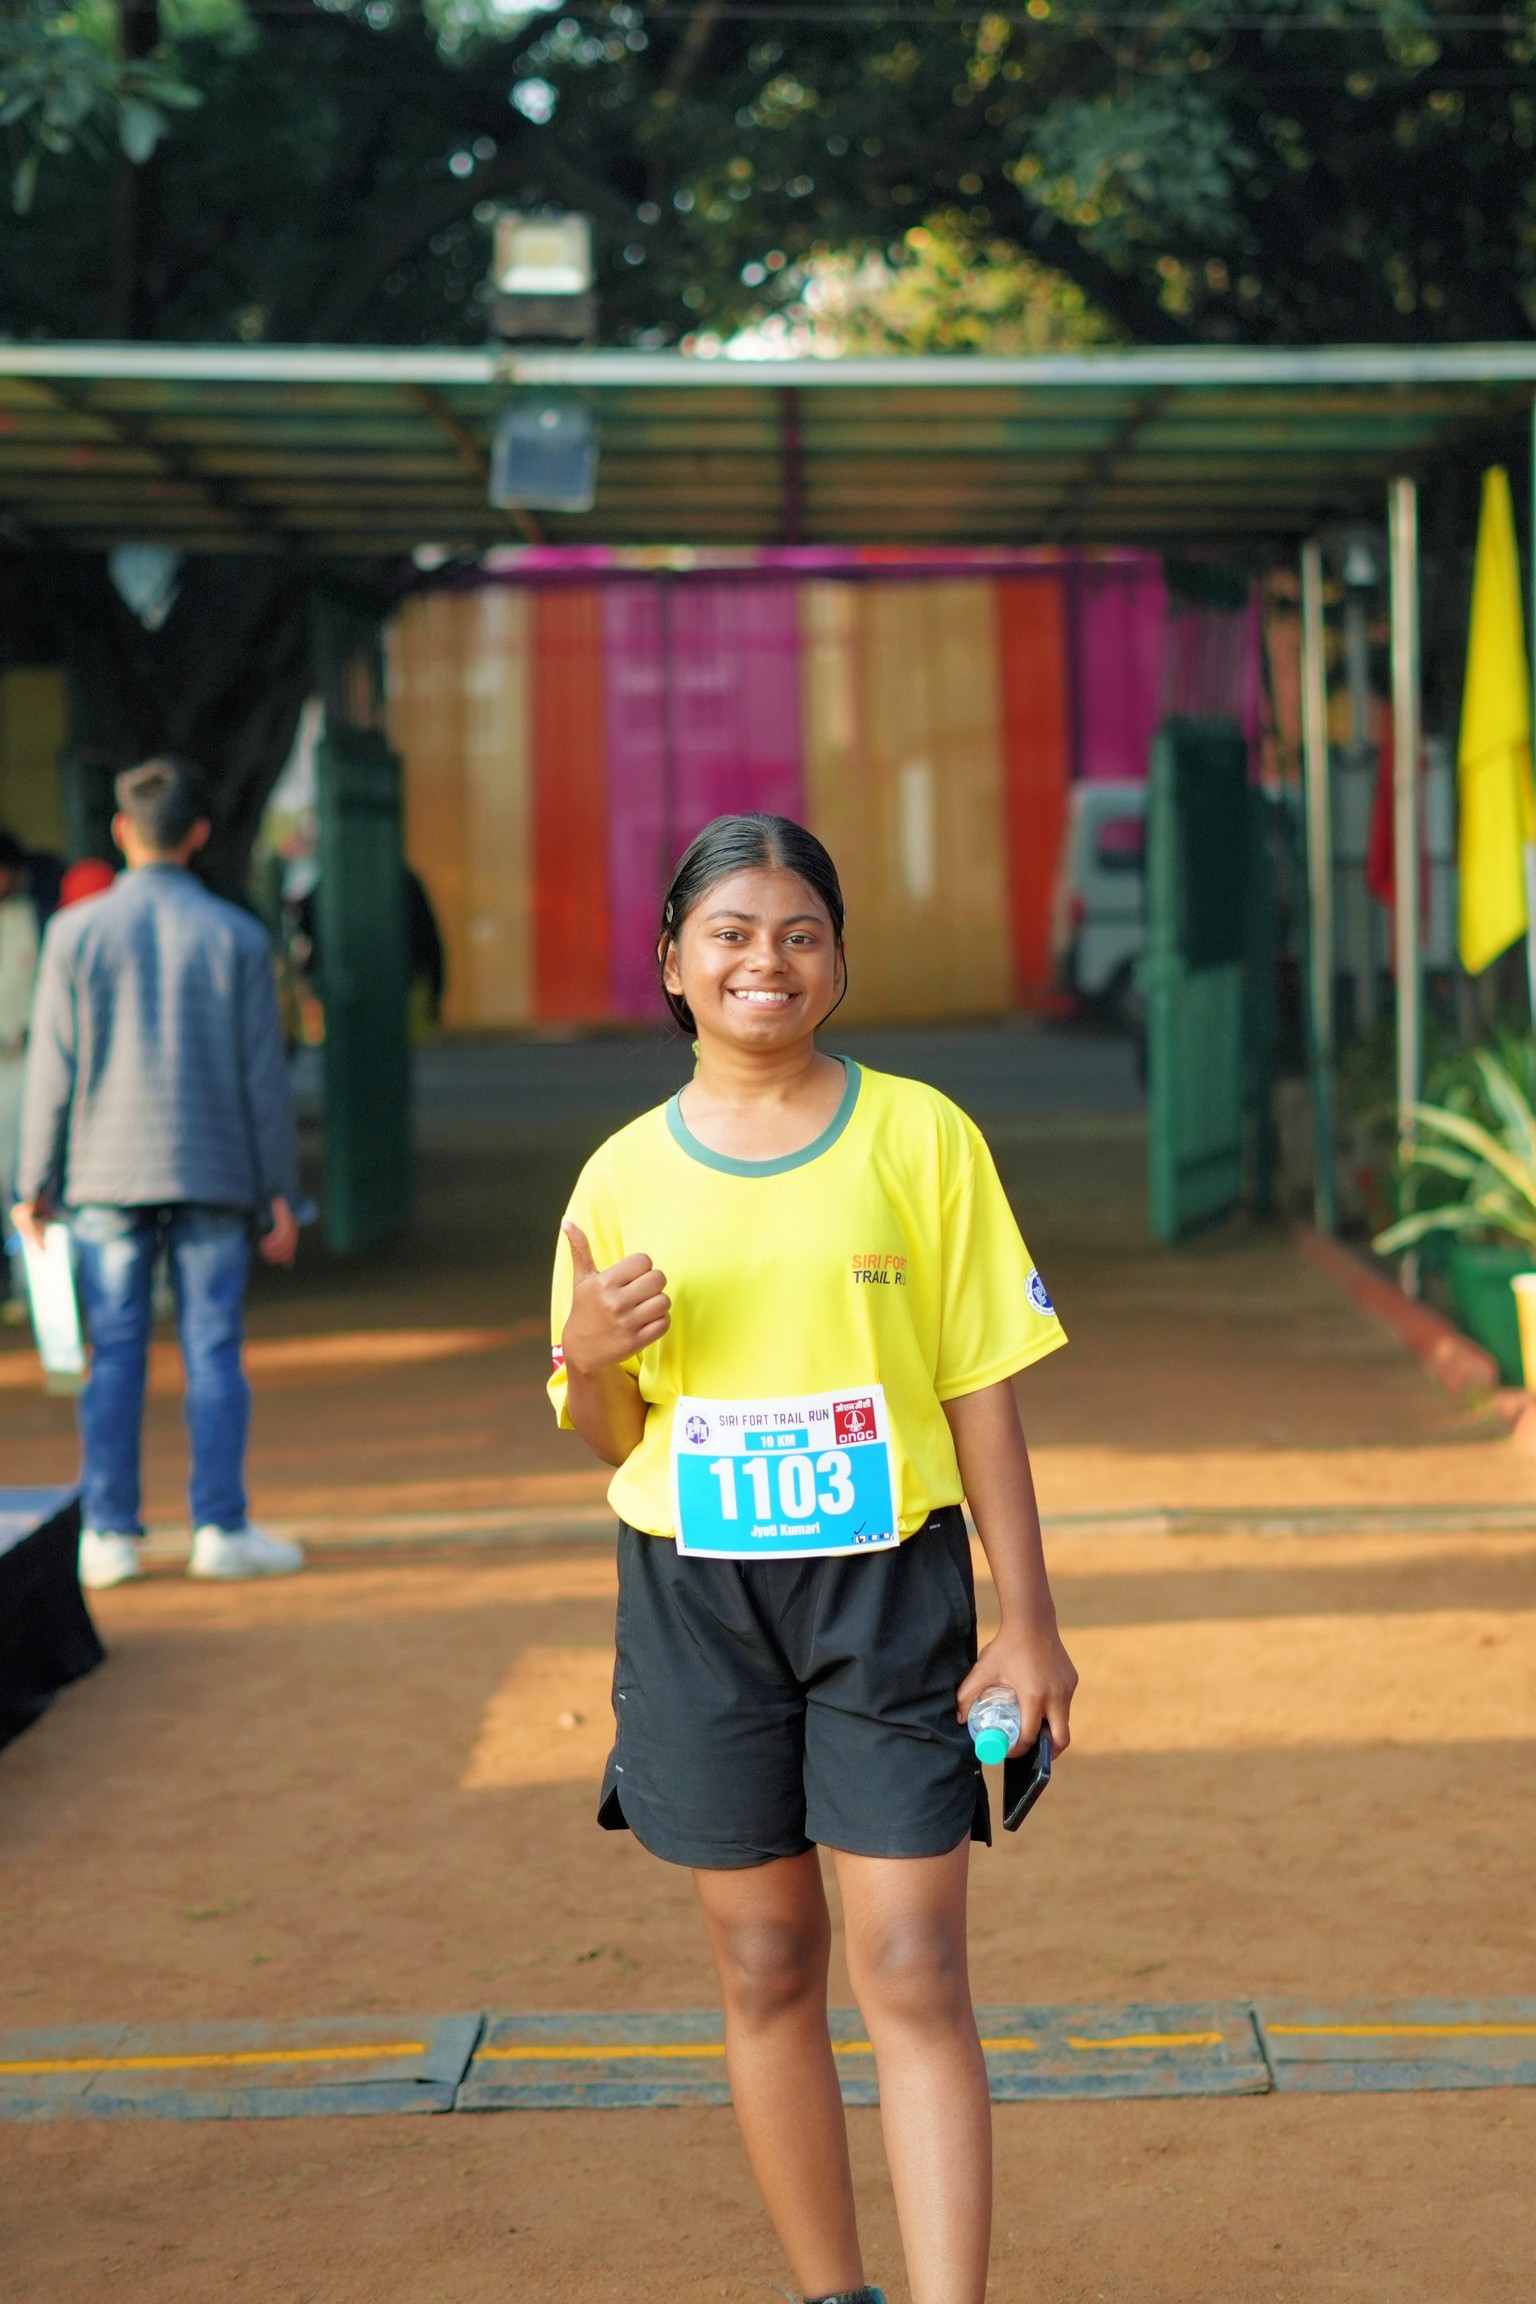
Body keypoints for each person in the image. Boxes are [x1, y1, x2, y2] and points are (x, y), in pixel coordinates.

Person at [549, 813, 1078, 2304]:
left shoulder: (922, 1137)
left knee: (911, 1962)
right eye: (728, 934)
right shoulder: (618, 1175)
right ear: (673, 962)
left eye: (799, 934)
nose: (764, 962)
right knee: (768, 1962)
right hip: (696, 1604)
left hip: (888, 1588)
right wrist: (590, 1353)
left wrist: (1028, 1622)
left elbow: (981, 1386)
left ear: (839, 961)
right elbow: (609, 1432)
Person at [12, 758, 306, 1592]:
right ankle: (220, 1528)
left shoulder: (74, 933)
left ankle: (109, 1534)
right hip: (214, 1169)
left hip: (104, 1174)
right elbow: (263, 1078)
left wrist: (32, 1183)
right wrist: (280, 1191)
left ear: (121, 831)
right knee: (213, 1348)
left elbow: (52, 1069)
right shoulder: (236, 935)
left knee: (113, 1353)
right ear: (200, 835)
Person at [0, 829, 41, 1318]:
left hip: (27, 1058)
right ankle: (15, 1280)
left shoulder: (34, 917)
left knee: (24, 1175)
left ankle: (32, 1281)